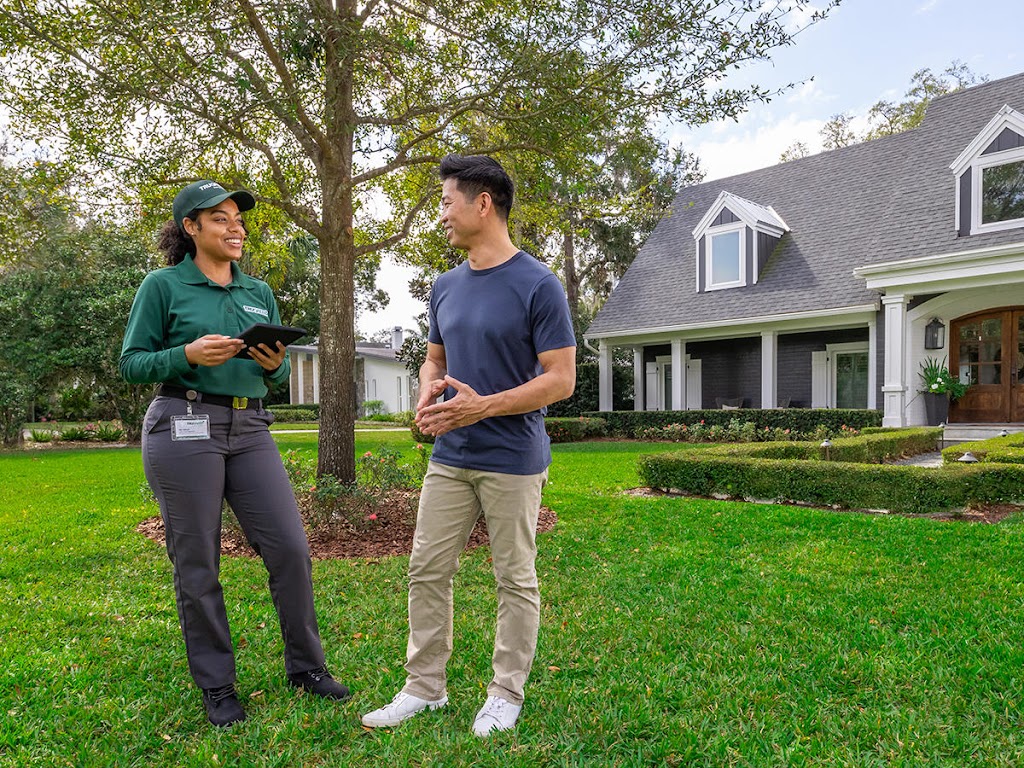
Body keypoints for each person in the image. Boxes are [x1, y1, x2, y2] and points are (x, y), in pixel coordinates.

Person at [120, 180, 350, 727]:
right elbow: (132, 363)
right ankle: (217, 684)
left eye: (238, 220)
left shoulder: (258, 291)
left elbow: (280, 374)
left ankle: (307, 668)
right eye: (220, 218)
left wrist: (275, 365)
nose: (235, 228)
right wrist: (186, 354)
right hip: (184, 423)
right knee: (198, 559)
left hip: (250, 427)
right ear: (191, 228)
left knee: (290, 547)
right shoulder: (163, 286)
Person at [361, 155, 576, 736]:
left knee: (514, 578)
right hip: (450, 457)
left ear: (483, 204)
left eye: (446, 202)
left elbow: (561, 379)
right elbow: (434, 359)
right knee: (427, 569)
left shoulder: (538, 284)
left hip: (512, 458)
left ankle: (506, 693)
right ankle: (424, 688)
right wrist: (427, 390)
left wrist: (483, 406)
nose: (441, 215)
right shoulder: (445, 286)